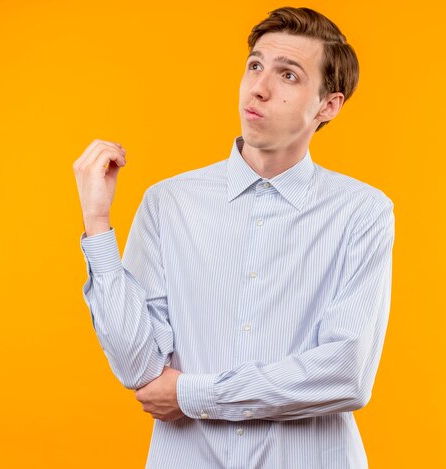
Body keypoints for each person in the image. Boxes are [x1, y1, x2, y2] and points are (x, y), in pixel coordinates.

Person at [73, 6, 395, 468]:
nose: (259, 87)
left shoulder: (362, 212)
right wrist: (98, 224)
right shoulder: (169, 203)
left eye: (288, 75)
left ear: (328, 105)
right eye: (255, 65)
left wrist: (192, 393)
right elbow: (140, 370)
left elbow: (345, 374)